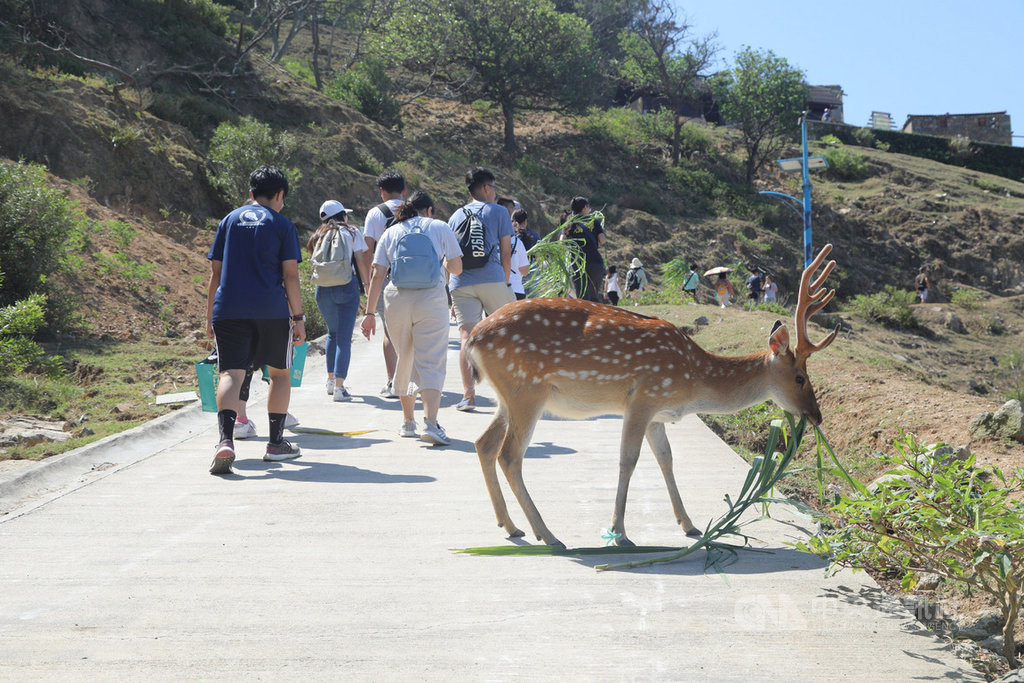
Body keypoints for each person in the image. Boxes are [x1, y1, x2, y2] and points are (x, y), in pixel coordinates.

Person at [206, 165, 304, 475]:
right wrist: (298, 317)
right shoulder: (282, 225)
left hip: (229, 309)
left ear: (250, 194)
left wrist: (209, 316)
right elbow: (290, 275)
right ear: (280, 195)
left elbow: (215, 274)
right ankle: (276, 444)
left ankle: (226, 440)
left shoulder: (228, 221)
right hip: (271, 310)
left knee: (231, 375)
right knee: (279, 374)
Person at [361, 191, 463, 445]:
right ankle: (431, 423)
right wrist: (443, 265)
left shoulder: (391, 232)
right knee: (431, 360)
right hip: (431, 297)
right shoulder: (439, 227)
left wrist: (369, 313)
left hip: (396, 298)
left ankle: (408, 422)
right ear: (428, 210)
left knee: (405, 357)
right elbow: (457, 267)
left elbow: (377, 274)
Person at [447, 167, 515, 413]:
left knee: (466, 337)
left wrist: (450, 292)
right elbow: (506, 252)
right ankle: (509, 394)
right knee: (505, 334)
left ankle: (468, 396)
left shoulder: (455, 216)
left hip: (461, 282)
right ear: (486, 188)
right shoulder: (498, 211)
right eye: (494, 187)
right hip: (492, 278)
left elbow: (450, 254)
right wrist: (504, 282)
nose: (495, 192)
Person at [308, 199, 371, 402]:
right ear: (342, 215)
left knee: (332, 334)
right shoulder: (351, 232)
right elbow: (360, 261)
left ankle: (330, 380)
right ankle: (339, 387)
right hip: (346, 286)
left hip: (322, 289)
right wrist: (367, 285)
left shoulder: (318, 235)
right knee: (344, 337)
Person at [362, 170, 406, 399]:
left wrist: (369, 283)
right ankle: (411, 379)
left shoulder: (374, 214)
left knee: (389, 331)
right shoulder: (414, 211)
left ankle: (393, 382)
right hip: (413, 277)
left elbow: (367, 251)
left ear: (382, 191)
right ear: (405, 190)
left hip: (385, 277)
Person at [559, 196, 606, 302]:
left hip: (578, 264)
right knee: (594, 298)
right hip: (595, 263)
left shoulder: (569, 224)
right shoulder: (594, 221)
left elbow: (562, 243)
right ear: (585, 207)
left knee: (583, 299)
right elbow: (602, 240)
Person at [508, 226, 531, 301]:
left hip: (495, 289)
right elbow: (524, 271)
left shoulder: (492, 240)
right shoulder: (518, 243)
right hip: (515, 288)